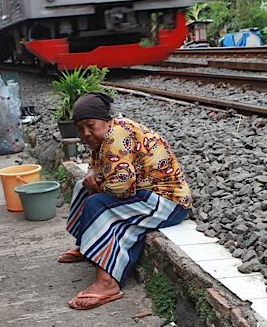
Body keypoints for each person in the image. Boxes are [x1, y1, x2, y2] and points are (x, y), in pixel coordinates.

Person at [61, 92, 192, 310]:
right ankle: (87, 246)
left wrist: (97, 185)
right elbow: (96, 163)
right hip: (144, 194)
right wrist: (92, 175)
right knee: (82, 188)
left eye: (90, 125)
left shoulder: (117, 137)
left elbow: (122, 187)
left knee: (98, 204)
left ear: (106, 119)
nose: (86, 133)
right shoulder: (107, 133)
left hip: (168, 202)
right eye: (80, 128)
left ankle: (107, 283)